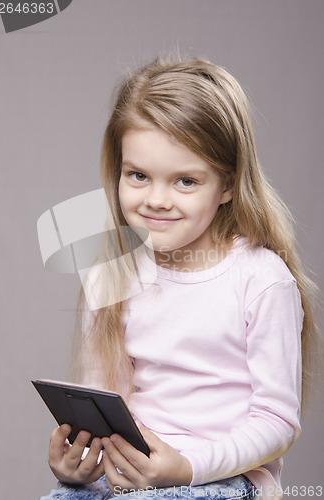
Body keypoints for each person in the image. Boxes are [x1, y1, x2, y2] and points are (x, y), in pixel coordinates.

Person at [40, 55, 320, 500]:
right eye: (138, 176)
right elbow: (106, 402)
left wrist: (187, 468)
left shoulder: (261, 279)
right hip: (135, 472)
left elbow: (276, 421)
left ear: (227, 185)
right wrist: (81, 461)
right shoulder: (112, 271)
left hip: (225, 478)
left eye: (185, 182)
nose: (156, 199)